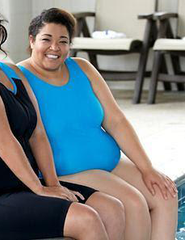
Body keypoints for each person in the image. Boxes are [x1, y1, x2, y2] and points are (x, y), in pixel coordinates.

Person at [0, 1, 126, 240]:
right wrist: (40, 189)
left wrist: (54, 184)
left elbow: (38, 134)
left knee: (112, 208)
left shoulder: (13, 72)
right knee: (87, 219)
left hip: (21, 186)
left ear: (0, 34)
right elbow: (3, 141)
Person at [17, 8, 178, 240]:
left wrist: (147, 168)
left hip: (108, 162)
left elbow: (116, 120)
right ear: (32, 40)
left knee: (165, 194)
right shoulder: (19, 76)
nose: (55, 48)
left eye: (63, 41)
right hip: (68, 169)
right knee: (134, 202)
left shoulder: (82, 67)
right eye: (46, 39)